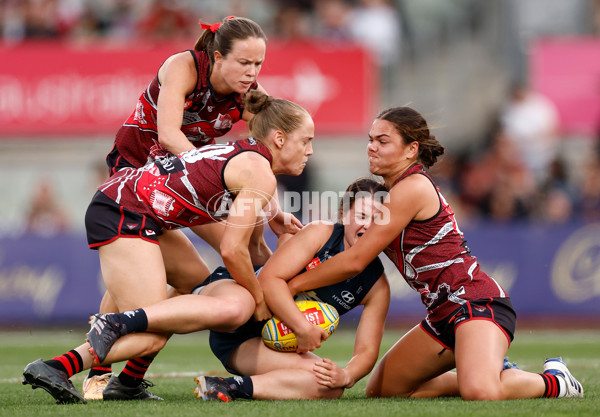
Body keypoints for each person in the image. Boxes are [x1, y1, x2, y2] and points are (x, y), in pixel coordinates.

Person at [22, 91, 315, 404]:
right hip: (125, 212)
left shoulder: (252, 161)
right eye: (306, 140)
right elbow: (232, 249)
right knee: (150, 333)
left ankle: (128, 383)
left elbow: (255, 250)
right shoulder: (260, 174)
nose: (310, 150)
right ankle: (56, 367)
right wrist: (259, 300)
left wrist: (282, 288)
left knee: (192, 292)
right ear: (280, 139)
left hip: (133, 207)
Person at [284, 106, 584, 400]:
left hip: (476, 304)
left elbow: (355, 260)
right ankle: (491, 370)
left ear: (411, 149)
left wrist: (294, 285)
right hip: (442, 314)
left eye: (383, 141)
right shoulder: (391, 194)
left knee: (481, 392)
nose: (371, 148)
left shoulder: (411, 187)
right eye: (370, 139)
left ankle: (554, 381)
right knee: (384, 390)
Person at [86, 15, 300, 401]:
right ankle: (101, 371)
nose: (252, 73)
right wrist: (209, 173)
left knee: (228, 257)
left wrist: (273, 210)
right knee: (195, 265)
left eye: (259, 65)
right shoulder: (183, 66)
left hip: (183, 179)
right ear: (217, 57)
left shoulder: (249, 93)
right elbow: (168, 135)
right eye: (244, 63)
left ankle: (126, 377)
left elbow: (265, 153)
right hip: (136, 173)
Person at [77, 178, 389, 401]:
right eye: (361, 216)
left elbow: (366, 352)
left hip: (267, 344)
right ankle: (89, 358)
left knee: (329, 387)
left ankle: (226, 387)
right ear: (344, 215)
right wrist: (300, 326)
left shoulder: (377, 284)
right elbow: (269, 281)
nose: (368, 226)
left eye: (378, 219)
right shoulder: (320, 232)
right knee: (166, 313)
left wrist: (346, 376)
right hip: (240, 318)